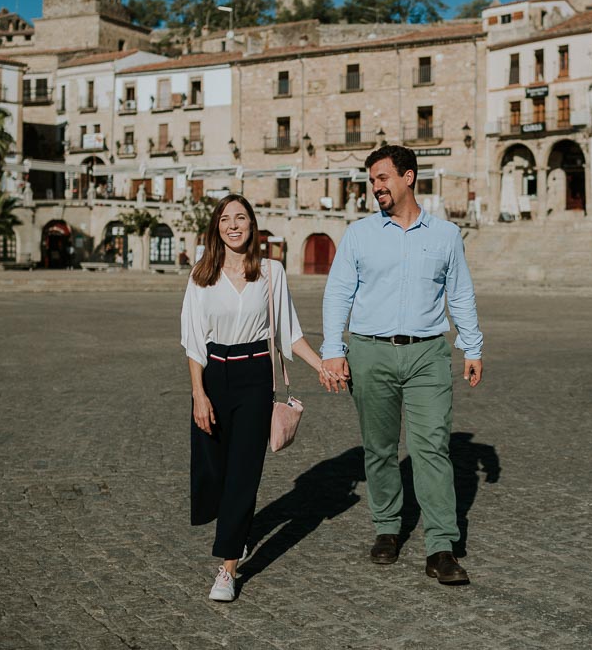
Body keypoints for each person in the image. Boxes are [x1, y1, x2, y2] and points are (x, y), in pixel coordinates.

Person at [321, 145, 484, 586]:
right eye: (372, 180)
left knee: (432, 447)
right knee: (379, 448)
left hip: (428, 353)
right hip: (369, 351)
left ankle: (440, 547)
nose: (376, 187)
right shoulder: (359, 234)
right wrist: (333, 348)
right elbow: (338, 293)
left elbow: (460, 295)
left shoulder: (447, 236)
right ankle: (387, 528)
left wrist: (472, 347)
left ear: (409, 177)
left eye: (383, 178)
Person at [180, 194, 329, 602]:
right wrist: (198, 393)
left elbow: (289, 332)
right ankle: (237, 529)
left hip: (254, 374)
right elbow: (193, 343)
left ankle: (227, 568)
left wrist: (321, 366)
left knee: (244, 471)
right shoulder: (201, 276)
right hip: (213, 374)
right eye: (225, 219)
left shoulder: (271, 272)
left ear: (252, 225)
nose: (233, 225)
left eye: (240, 218)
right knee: (214, 471)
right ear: (216, 227)